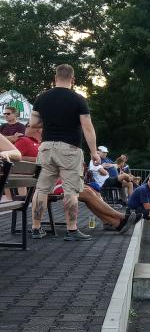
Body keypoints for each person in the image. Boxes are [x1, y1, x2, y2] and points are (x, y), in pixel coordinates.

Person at [28, 64, 100, 241]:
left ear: (55, 78)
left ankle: (36, 229)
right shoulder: (78, 99)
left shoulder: (42, 98)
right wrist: (94, 152)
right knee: (71, 191)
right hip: (69, 149)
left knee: (42, 189)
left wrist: (51, 120)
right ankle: (72, 230)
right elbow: (87, 127)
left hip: (46, 148)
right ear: (73, 80)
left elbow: (33, 124)